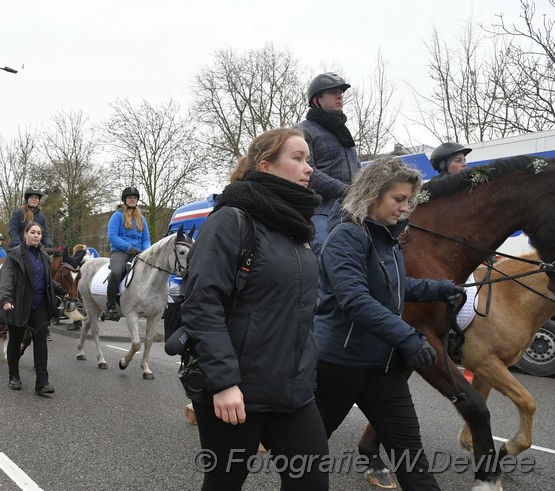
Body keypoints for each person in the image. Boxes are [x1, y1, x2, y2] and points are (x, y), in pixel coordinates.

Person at [179, 128, 328, 490]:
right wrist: (224, 382)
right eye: (297, 158)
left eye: (309, 160)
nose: (308, 168)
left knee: (312, 483)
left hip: (293, 392)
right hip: (237, 392)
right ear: (266, 166)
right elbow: (201, 304)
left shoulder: (299, 231)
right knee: (225, 482)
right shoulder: (231, 220)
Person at [313, 157, 464, 491]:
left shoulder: (388, 239)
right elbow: (356, 300)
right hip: (338, 366)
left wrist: (439, 289)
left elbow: (397, 285)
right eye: (399, 199)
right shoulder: (346, 238)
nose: (405, 208)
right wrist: (409, 338)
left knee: (413, 461)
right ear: (372, 196)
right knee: (305, 460)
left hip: (383, 368)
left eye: (409, 201)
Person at [298, 71, 361, 253]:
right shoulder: (303, 131)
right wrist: (343, 190)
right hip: (321, 209)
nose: (339, 96)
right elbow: (308, 170)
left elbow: (356, 168)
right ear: (317, 99)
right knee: (324, 249)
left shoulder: (343, 132)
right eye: (333, 92)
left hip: (353, 208)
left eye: (341, 92)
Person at [0, 222, 62, 395]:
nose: (36, 235)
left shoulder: (43, 256)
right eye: (33, 232)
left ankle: (42, 382)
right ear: (25, 234)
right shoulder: (14, 255)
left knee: (40, 341)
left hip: (40, 304)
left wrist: (60, 288)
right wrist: (6, 299)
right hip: (18, 304)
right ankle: (14, 376)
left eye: (39, 233)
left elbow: (45, 279)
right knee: (15, 340)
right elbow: (7, 279)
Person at [104, 186, 151, 321]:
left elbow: (146, 238)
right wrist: (128, 247)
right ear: (125, 199)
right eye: (130, 198)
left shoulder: (142, 219)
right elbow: (112, 236)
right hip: (120, 251)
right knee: (116, 272)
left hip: (139, 252)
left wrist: (146, 251)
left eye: (134, 198)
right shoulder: (117, 216)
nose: (132, 200)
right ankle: (110, 305)